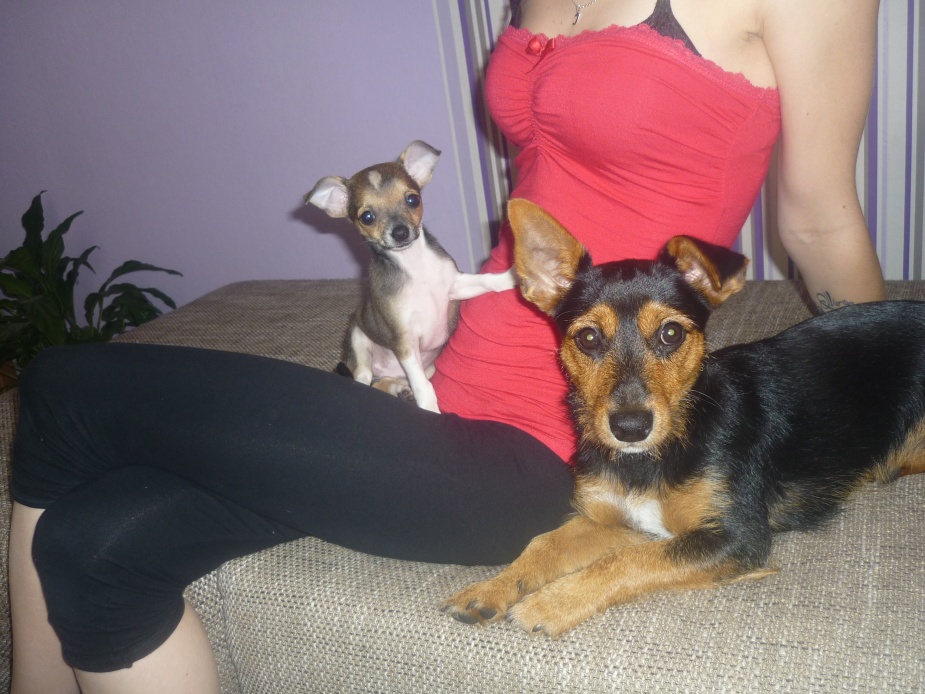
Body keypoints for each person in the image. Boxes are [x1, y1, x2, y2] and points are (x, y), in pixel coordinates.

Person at [9, 0, 885, 692]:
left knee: (65, 383)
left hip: (546, 448)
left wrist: (888, 366)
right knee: (92, 547)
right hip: (437, 395)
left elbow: (818, 219)